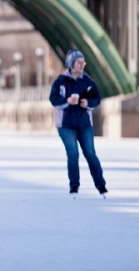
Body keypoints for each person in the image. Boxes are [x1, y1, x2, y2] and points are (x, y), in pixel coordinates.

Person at [49, 49, 107, 198]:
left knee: (90, 153)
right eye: (78, 63)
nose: (82, 66)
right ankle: (74, 186)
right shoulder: (61, 81)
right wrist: (66, 101)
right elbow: (53, 99)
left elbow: (97, 98)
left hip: (84, 124)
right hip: (66, 124)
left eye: (83, 63)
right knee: (73, 154)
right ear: (71, 64)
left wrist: (87, 102)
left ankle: (101, 185)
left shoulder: (87, 81)